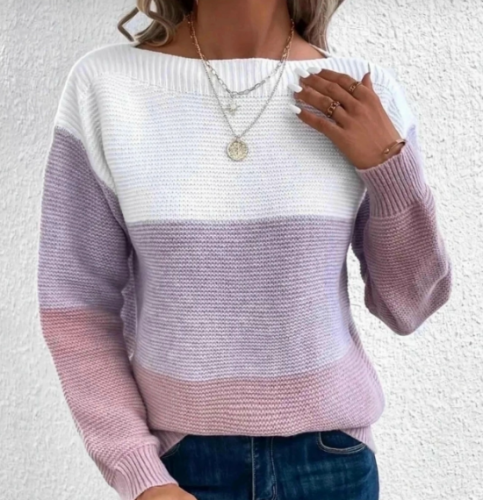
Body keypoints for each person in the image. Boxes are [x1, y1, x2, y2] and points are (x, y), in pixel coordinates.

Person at [36, 0, 453, 499]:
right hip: (180, 469)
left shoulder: (359, 94)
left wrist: (388, 166)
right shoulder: (107, 87)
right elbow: (77, 307)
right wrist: (140, 475)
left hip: (332, 465)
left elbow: (409, 305)